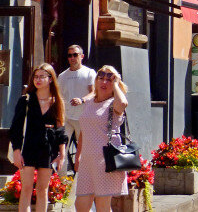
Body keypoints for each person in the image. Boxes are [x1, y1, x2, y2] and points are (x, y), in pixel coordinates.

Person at [10, 64, 68, 212]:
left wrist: (62, 154)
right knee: (27, 189)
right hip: (28, 146)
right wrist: (16, 151)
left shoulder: (57, 101)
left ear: (50, 79)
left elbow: (61, 130)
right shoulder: (26, 100)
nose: (38, 79)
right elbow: (15, 128)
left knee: (43, 189)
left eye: (42, 76)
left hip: (48, 149)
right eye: (36, 76)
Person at [75, 65, 129, 212]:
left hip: (105, 160)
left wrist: (116, 84)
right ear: (96, 81)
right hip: (87, 161)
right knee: (80, 205)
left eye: (109, 80)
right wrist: (78, 156)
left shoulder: (113, 104)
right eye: (101, 78)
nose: (104, 82)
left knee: (102, 206)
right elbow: (83, 132)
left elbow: (123, 103)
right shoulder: (90, 102)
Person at [57, 44, 96, 171]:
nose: (72, 58)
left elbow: (94, 92)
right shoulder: (62, 76)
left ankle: (81, 182)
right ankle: (62, 183)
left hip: (83, 117)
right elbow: (59, 97)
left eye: (75, 55)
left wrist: (82, 100)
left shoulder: (89, 72)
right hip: (67, 118)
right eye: (70, 55)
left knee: (84, 151)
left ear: (82, 56)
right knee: (61, 149)